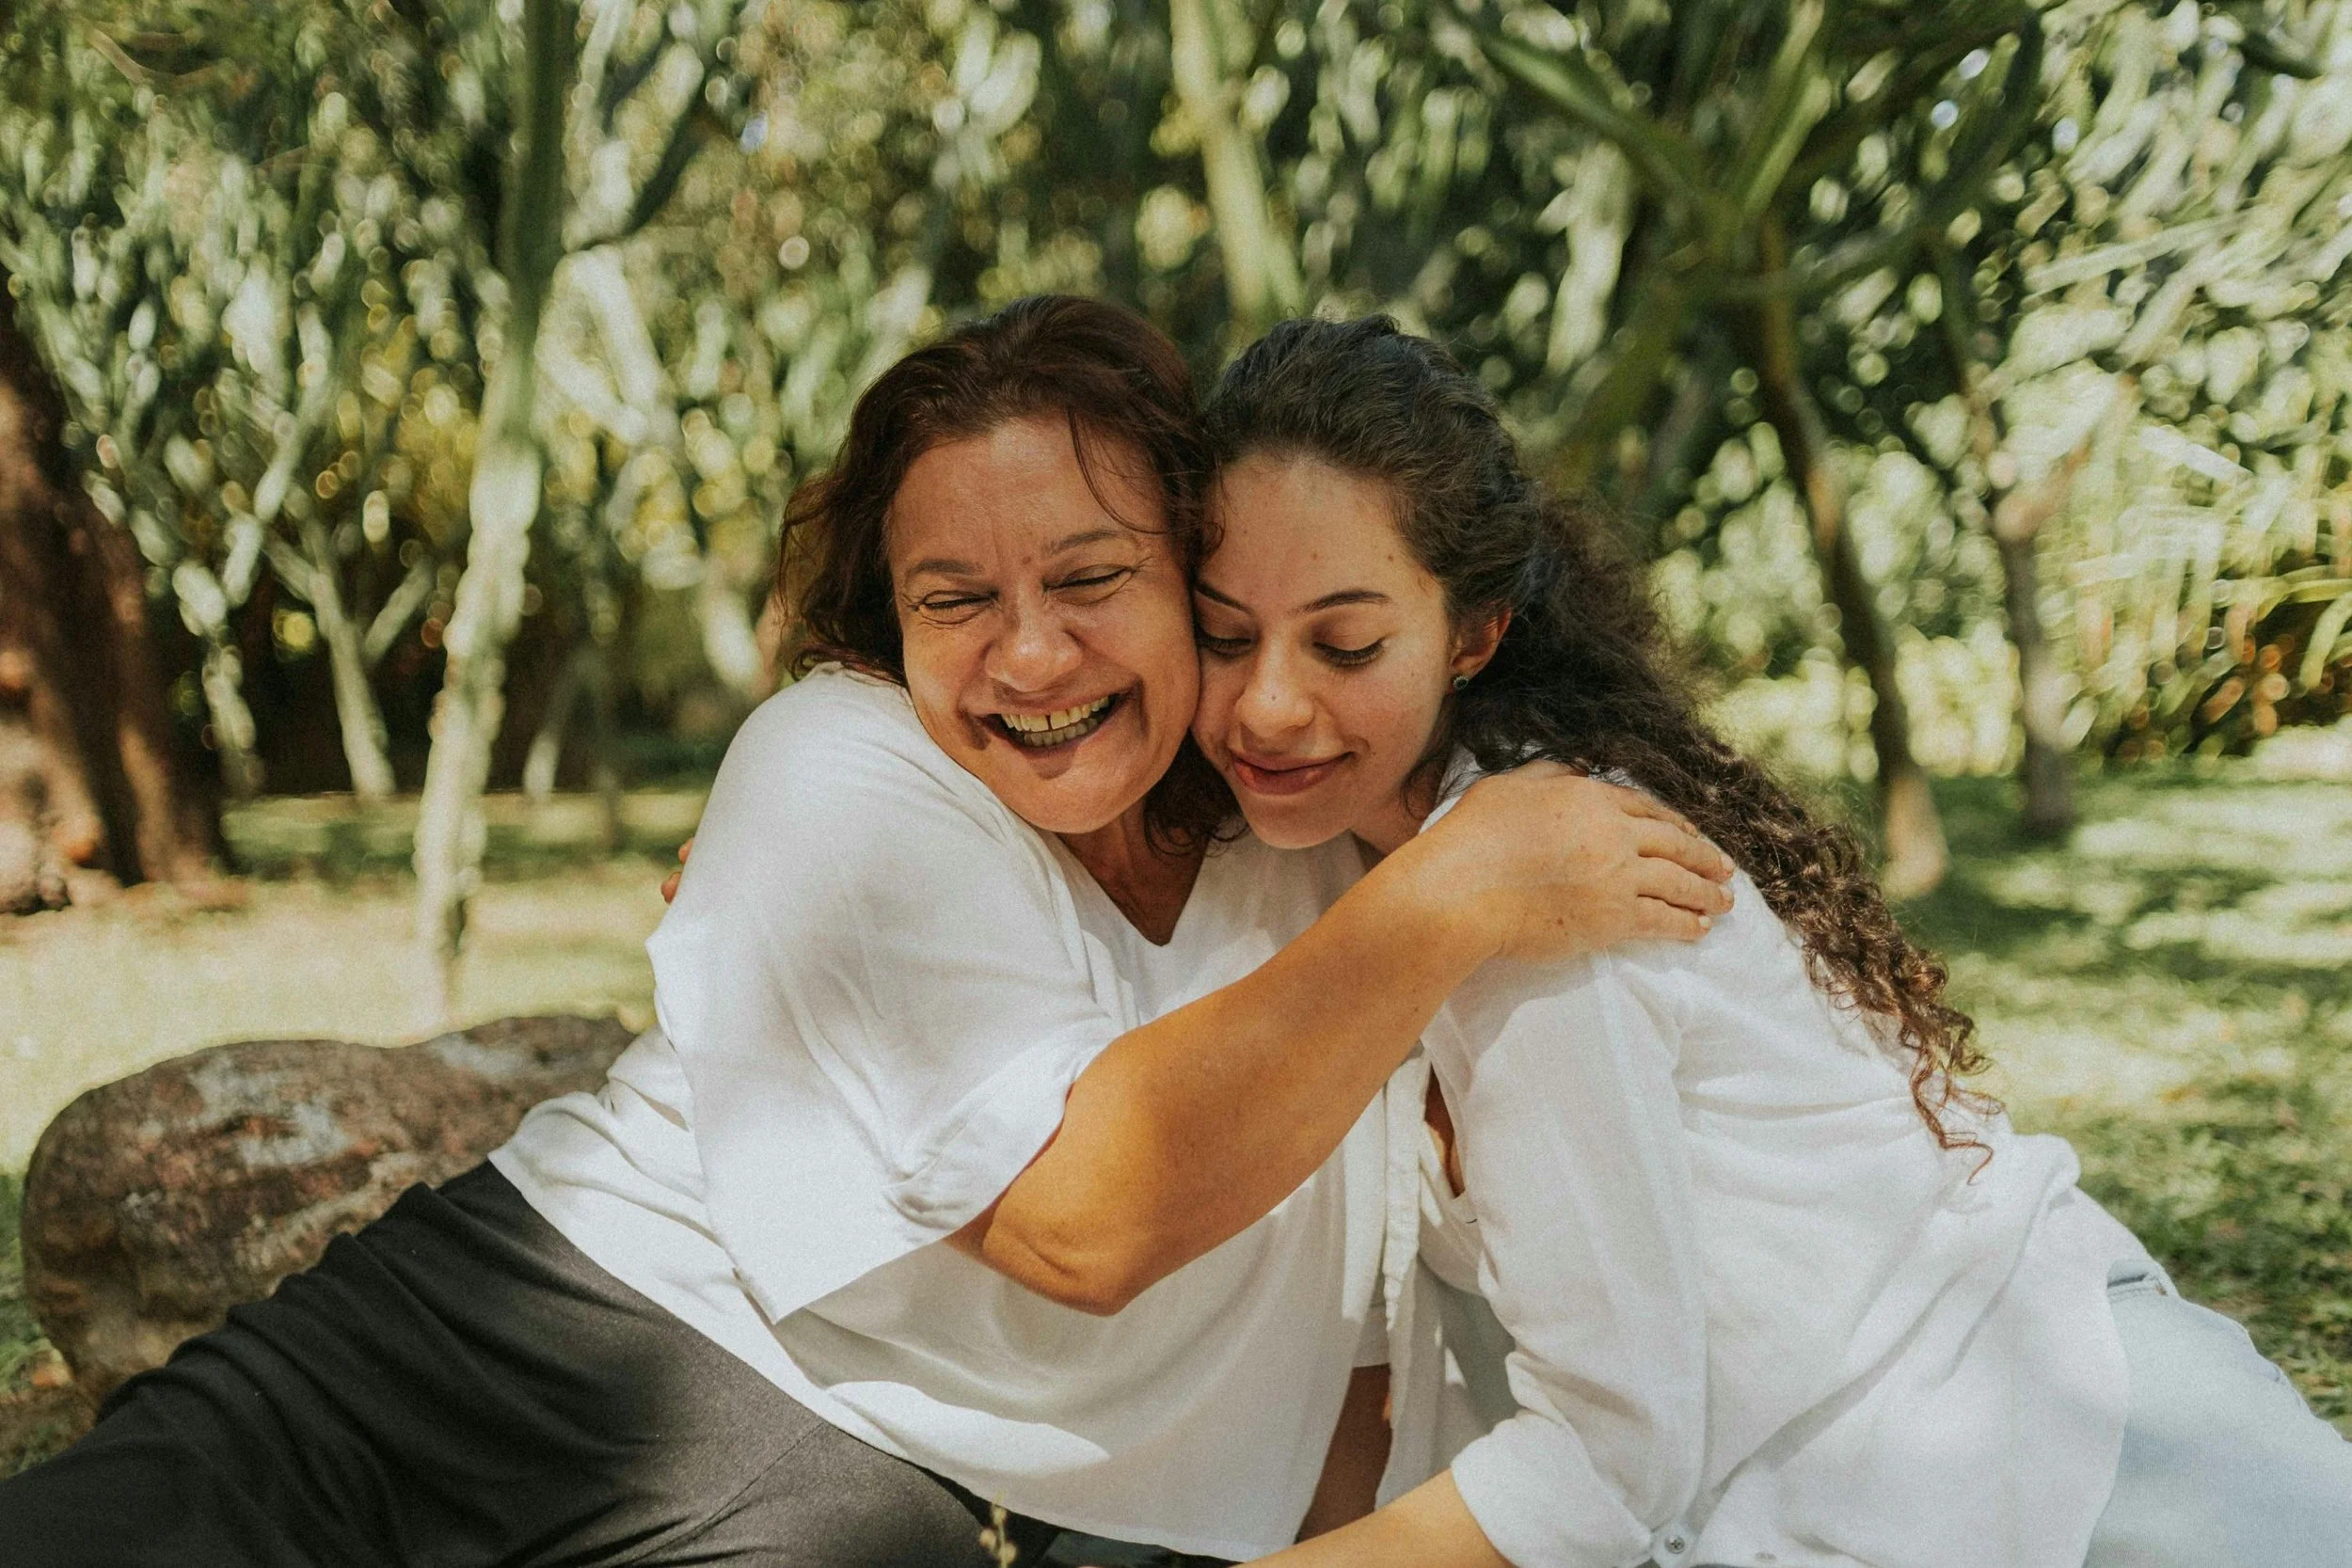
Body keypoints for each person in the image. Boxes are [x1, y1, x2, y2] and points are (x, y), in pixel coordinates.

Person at [0, 297, 1733, 1568]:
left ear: (1200, 576)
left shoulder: (1307, 836)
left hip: (857, 1496)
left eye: (1092, 578)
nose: (1030, 659)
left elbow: (1348, 1359)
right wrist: (1451, 893)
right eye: (954, 601)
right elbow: (1081, 1217)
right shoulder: (842, 765)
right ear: (885, 628)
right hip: (517, 1341)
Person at [1178, 315, 2352, 1568]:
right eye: (1224, 632)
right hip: (1884, 1496)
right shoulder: (1323, 871)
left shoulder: (1548, 892)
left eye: (1345, 642)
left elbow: (1607, 1466)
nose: (1268, 702)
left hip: (2085, 1471)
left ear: (1475, 636)